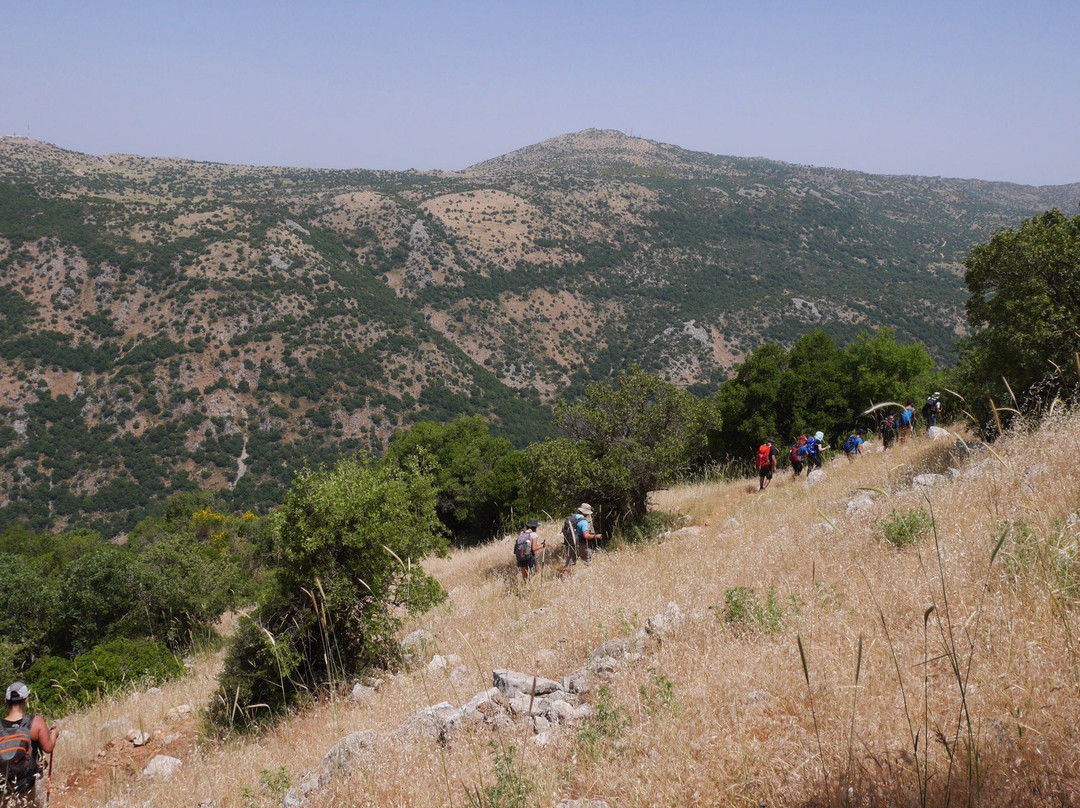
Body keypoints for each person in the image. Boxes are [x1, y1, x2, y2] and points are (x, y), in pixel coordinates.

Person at [1, 682, 58, 807]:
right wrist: (54, 733)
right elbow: (48, 747)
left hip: (4, 787)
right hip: (29, 784)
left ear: (6, 700)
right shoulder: (36, 722)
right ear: (26, 700)